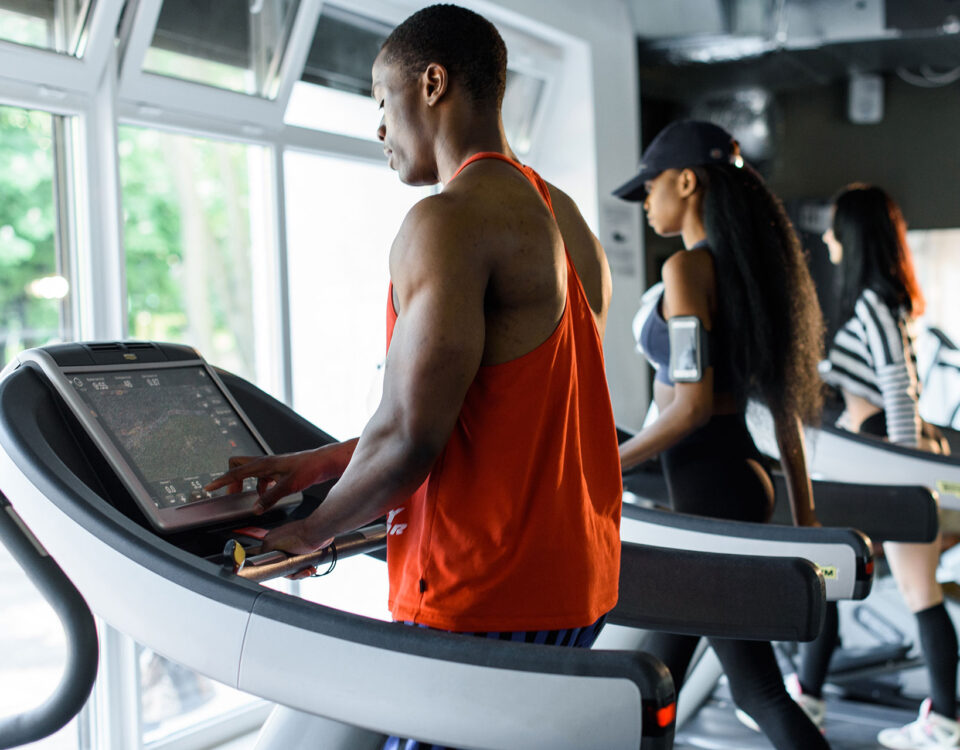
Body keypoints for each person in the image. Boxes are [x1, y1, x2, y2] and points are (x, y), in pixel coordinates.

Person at [207, 5, 623, 749]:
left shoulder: (449, 222)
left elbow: (409, 439)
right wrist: (322, 463)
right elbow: (487, 405)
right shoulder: (560, 215)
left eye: (380, 100)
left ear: (432, 83)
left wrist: (309, 531)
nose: (378, 129)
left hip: (485, 593)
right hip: (574, 586)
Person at [613, 119, 830, 750]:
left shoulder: (686, 269)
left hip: (711, 490)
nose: (646, 202)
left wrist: (605, 464)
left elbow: (691, 408)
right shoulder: (749, 274)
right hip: (737, 481)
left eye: (650, 187)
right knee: (662, 682)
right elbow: (785, 407)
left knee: (742, 689)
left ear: (686, 182)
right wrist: (805, 514)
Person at [792, 184, 959, 749]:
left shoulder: (874, 301)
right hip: (870, 455)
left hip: (885, 458)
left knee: (919, 592)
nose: (830, 238)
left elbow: (899, 387)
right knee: (830, 572)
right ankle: (808, 696)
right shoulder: (880, 301)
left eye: (836, 227)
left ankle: (943, 722)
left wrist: (907, 470)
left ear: (853, 234)